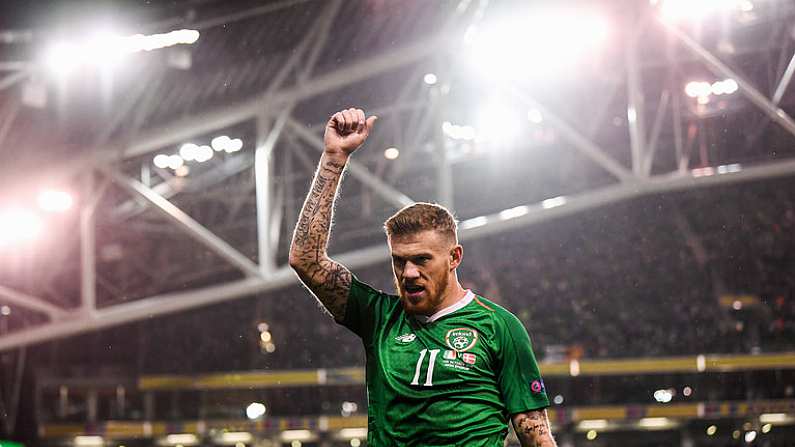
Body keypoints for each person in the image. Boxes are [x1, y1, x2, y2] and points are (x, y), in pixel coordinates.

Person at [289, 108, 556, 447]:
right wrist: (333, 157)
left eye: (421, 260)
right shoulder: (379, 317)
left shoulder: (500, 327)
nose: (408, 272)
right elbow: (305, 260)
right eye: (399, 261)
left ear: (454, 257)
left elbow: (536, 433)